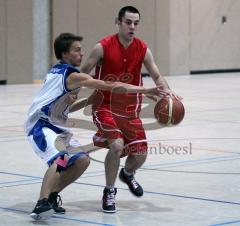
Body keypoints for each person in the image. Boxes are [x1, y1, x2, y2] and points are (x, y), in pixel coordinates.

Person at [25, 32, 164, 220]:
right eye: (77, 50)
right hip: (41, 124)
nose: (82, 54)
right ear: (65, 54)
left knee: (81, 160)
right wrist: (145, 90)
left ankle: (51, 196)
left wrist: (87, 101)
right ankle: (41, 203)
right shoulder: (72, 76)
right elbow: (111, 85)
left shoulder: (57, 71)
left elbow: (65, 108)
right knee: (61, 157)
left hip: (56, 125)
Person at [81, 6, 180, 213]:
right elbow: (83, 74)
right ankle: (109, 191)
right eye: (128, 22)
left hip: (129, 110)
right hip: (104, 106)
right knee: (116, 146)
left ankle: (127, 174)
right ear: (118, 22)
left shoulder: (143, 49)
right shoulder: (102, 47)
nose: (132, 27)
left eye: (136, 23)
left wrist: (168, 93)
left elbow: (157, 76)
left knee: (141, 154)